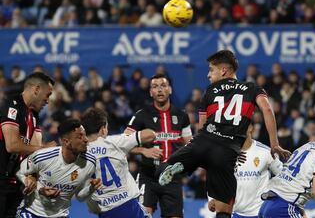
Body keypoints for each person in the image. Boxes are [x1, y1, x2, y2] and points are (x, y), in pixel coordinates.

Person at [158, 50, 290, 218]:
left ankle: (182, 166)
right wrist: (274, 143)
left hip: (206, 141)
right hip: (228, 147)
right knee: (224, 209)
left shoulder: (209, 92)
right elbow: (267, 109)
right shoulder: (252, 88)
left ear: (223, 71)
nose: (208, 75)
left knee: (193, 154)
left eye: (211, 70)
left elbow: (202, 127)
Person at [125, 74, 192, 217]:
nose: (160, 90)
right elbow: (123, 143)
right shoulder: (141, 115)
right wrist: (144, 150)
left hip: (172, 177)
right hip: (148, 176)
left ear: (170, 90)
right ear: (150, 92)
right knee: (143, 215)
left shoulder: (182, 116)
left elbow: (190, 145)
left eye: (163, 86)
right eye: (155, 87)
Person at [259, 120, 315, 218]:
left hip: (267, 205)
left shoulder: (306, 146)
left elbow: (295, 182)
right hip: (284, 207)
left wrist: (302, 212)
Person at [16, 119, 102, 218]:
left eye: (85, 135)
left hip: (60, 215)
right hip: (31, 212)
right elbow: (20, 172)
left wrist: (91, 188)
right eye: (80, 137)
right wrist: (34, 185)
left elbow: (80, 197)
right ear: (66, 141)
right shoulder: (43, 156)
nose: (86, 139)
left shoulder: (90, 163)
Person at [81, 107, 156, 218]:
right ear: (103, 129)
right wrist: (128, 137)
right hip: (129, 206)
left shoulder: (78, 154)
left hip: (105, 212)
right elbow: (150, 135)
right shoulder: (114, 142)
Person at [0, 72, 54, 218]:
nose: (48, 101)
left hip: (16, 184)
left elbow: (36, 150)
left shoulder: (34, 115)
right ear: (36, 89)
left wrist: (33, 176)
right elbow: (12, 145)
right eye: (48, 95)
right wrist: (44, 148)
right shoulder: (10, 105)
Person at [208, 124, 283, 218]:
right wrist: (211, 198)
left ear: (251, 128)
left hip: (261, 212)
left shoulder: (266, 152)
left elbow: (282, 175)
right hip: (235, 213)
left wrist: (276, 194)